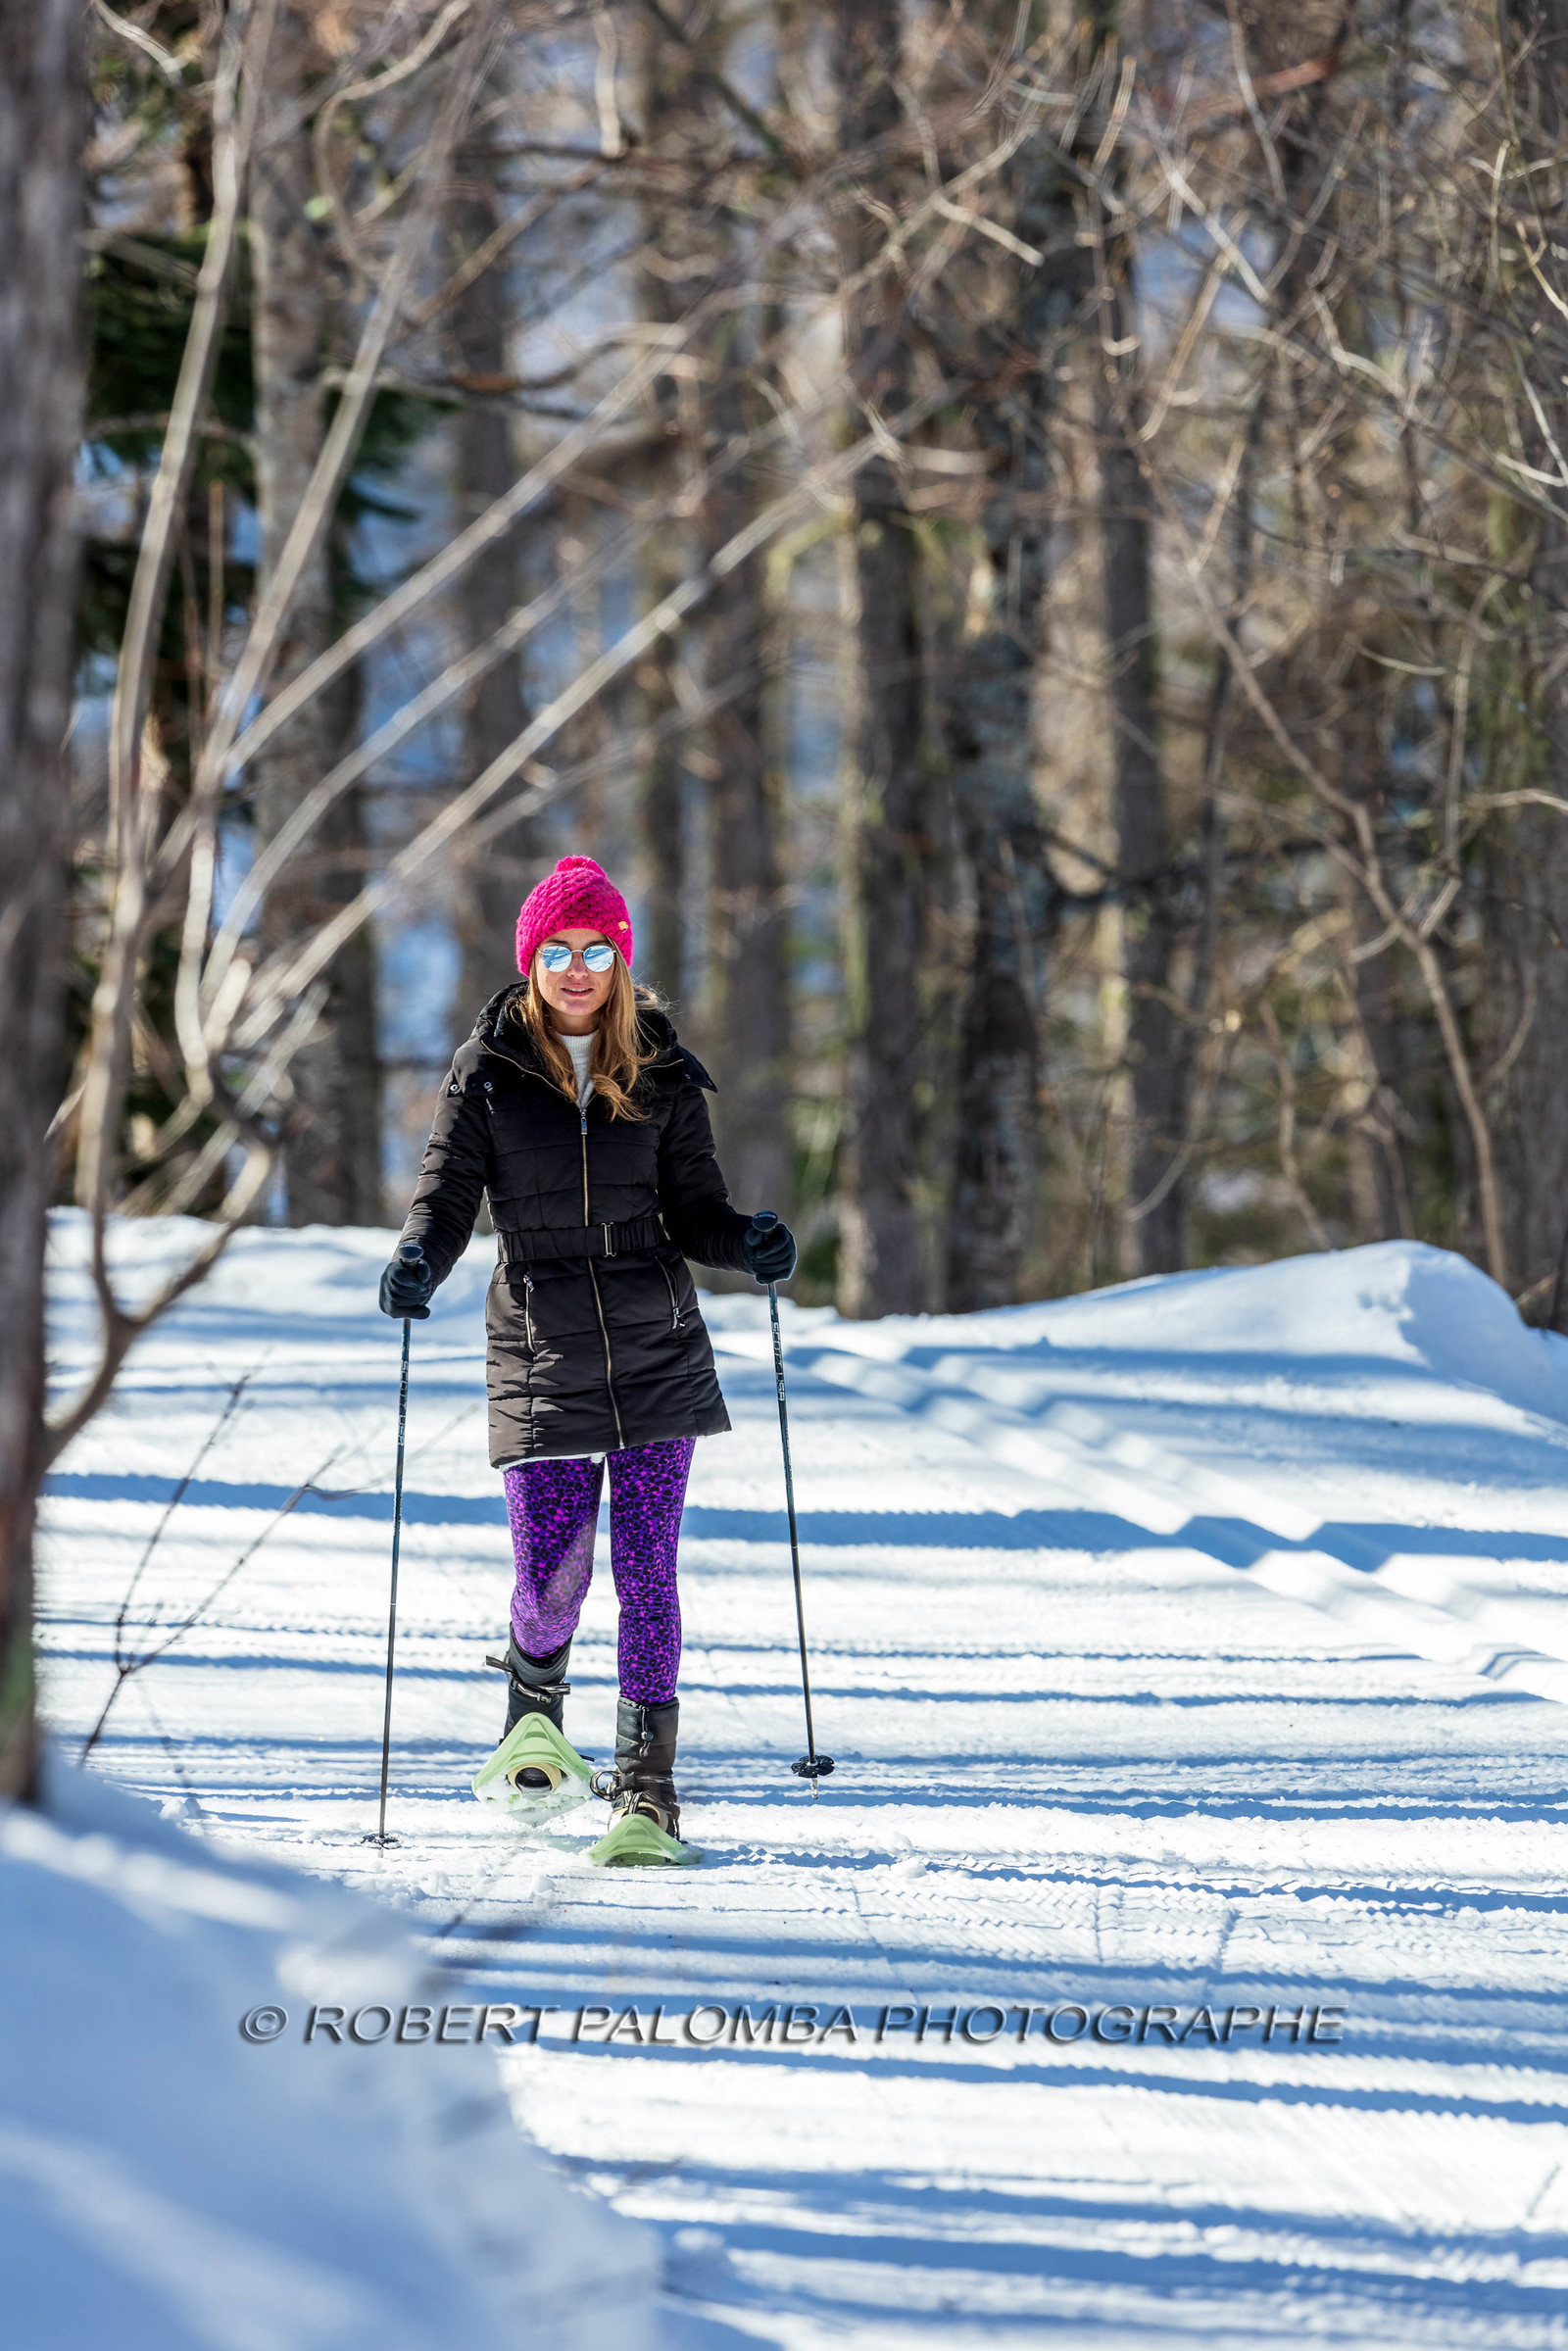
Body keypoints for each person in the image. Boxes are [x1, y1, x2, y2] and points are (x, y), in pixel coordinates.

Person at [378, 855, 796, 1865]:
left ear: (620, 959)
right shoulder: (486, 1073)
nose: (577, 967)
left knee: (648, 1572)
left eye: (596, 949)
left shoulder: (660, 1069)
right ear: (532, 961)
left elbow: (695, 1208)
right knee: (552, 1574)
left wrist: (746, 1242)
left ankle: (647, 1792)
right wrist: (417, 1260)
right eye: (558, 950)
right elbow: (445, 1199)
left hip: (656, 1338)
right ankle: (533, 1702)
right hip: (540, 1341)